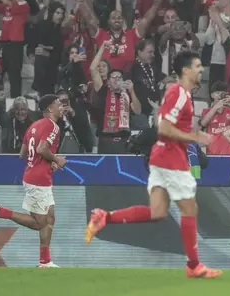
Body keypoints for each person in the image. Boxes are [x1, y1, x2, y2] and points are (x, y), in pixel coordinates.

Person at [84, 50, 222, 279]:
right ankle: (193, 265)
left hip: (160, 158)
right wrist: (196, 137)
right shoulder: (178, 93)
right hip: (171, 159)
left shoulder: (181, 94)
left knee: (158, 212)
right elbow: (164, 128)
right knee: (190, 209)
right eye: (198, 66)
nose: (201, 70)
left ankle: (105, 217)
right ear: (186, 70)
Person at [0, 94, 66, 268]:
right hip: (39, 180)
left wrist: (46, 163)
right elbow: (41, 149)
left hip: (35, 176)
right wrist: (56, 160)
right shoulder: (52, 126)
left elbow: (22, 154)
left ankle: (45, 261)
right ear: (50, 109)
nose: (62, 107)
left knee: (50, 218)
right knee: (39, 223)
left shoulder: (33, 126)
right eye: (58, 104)